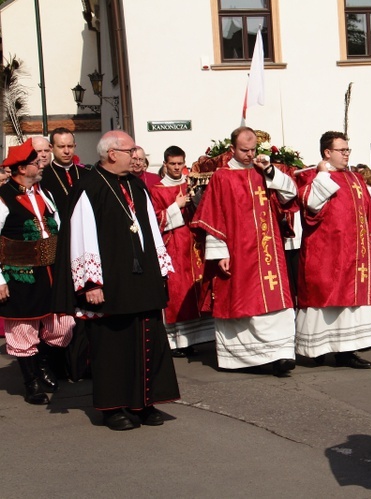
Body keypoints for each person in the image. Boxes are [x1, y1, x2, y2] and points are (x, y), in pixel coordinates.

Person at [54, 130, 180, 430]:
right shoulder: (90, 186)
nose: (135, 155)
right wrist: (91, 283)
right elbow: (82, 236)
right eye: (130, 150)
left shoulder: (136, 186)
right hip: (109, 283)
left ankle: (144, 403)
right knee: (113, 346)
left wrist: (160, 269)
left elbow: (149, 228)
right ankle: (113, 408)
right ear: (112, 153)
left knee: (147, 340)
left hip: (141, 280)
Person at [190, 126, 297, 376]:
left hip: (269, 251)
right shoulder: (222, 177)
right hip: (238, 251)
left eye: (253, 150)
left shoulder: (265, 173)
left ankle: (280, 354)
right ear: (232, 150)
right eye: (244, 150)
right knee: (242, 302)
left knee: (276, 302)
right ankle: (245, 358)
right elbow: (213, 217)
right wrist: (221, 254)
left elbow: (290, 195)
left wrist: (270, 170)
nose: (250, 155)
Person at [295, 131, 371, 369]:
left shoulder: (356, 179)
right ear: (327, 152)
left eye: (348, 150)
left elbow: (369, 214)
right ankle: (315, 350)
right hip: (324, 254)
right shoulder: (312, 177)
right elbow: (311, 207)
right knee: (322, 299)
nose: (346, 154)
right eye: (342, 150)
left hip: (355, 254)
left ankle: (347, 351)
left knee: (351, 302)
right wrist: (323, 176)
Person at [0, 139, 74, 405]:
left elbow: (58, 226)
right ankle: (31, 382)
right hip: (20, 273)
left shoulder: (44, 193)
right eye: (34, 162)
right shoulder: (3, 196)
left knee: (63, 324)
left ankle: (42, 363)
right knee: (22, 327)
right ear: (21, 168)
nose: (40, 164)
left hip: (50, 270)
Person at [149, 146, 215, 358]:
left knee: (200, 286)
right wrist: (176, 206)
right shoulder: (157, 190)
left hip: (195, 242)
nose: (177, 168)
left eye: (180, 164)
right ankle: (180, 341)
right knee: (178, 290)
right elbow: (155, 220)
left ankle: (203, 336)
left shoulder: (192, 183)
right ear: (165, 164)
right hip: (175, 245)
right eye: (173, 164)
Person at [40, 127, 90, 223]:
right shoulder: (43, 177)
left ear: (75, 146)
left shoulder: (86, 173)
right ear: (51, 148)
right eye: (61, 147)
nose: (66, 151)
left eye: (70, 146)